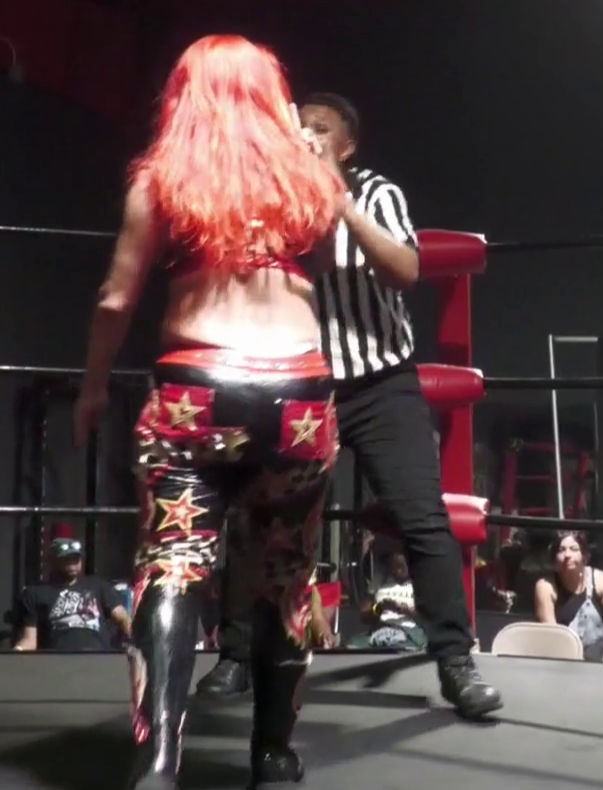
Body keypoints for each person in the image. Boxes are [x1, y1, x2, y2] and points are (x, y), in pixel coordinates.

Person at [73, 34, 346, 790]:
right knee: (285, 573)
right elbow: (323, 264)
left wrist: (93, 388)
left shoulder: (163, 177)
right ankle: (273, 754)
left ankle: (159, 758)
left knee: (171, 567)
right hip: (296, 396)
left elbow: (116, 299)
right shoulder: (308, 179)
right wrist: (307, 158)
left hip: (197, 388)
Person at [195, 89, 501, 719]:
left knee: (421, 517)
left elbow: (404, 271)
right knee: (259, 517)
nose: (308, 136)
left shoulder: (377, 193)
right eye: (300, 126)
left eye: (322, 129)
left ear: (348, 144)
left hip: (380, 383)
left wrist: (340, 203)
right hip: (301, 384)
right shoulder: (271, 200)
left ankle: (456, 661)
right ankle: (236, 654)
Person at [14, 537, 132, 652]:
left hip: (98, 657)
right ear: (52, 561)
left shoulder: (99, 585)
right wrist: (13, 655)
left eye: (76, 559)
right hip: (57, 659)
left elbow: (122, 617)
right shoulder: (35, 593)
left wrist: (135, 644)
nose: (72, 564)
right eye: (66, 559)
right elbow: (29, 640)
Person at [532, 531, 603, 662]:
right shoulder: (546, 586)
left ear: (585, 556)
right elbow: (551, 634)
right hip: (562, 659)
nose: (567, 555)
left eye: (574, 549)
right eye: (561, 550)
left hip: (600, 662)